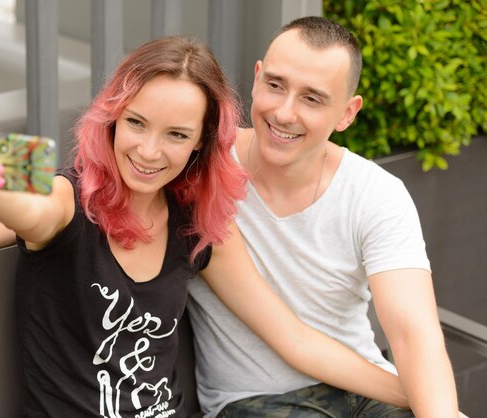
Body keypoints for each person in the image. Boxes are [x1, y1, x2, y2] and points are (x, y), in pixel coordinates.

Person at [0, 36, 409, 417]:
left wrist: (418, 397)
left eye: (175, 134)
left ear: (201, 143)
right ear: (112, 119)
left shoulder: (197, 227)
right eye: (137, 124)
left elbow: (293, 337)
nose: (148, 151)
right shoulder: (70, 202)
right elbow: (29, 206)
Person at [186, 16, 460, 418]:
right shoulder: (203, 175)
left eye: (312, 99)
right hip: (256, 402)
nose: (284, 113)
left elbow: (412, 330)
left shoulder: (375, 194)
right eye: (276, 85)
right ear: (257, 77)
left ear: (348, 113)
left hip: (366, 389)